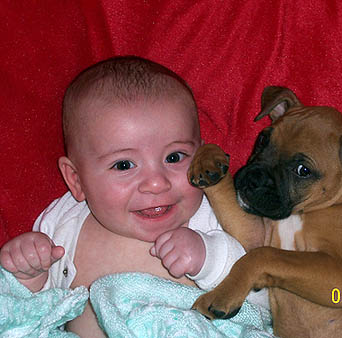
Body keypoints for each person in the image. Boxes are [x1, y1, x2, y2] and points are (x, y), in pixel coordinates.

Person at [0, 56, 267, 337]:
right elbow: (31, 311)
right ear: (76, 180)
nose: (155, 183)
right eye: (124, 165)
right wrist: (28, 275)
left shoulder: (213, 216)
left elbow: (267, 298)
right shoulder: (62, 223)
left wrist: (208, 258)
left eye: (174, 157)